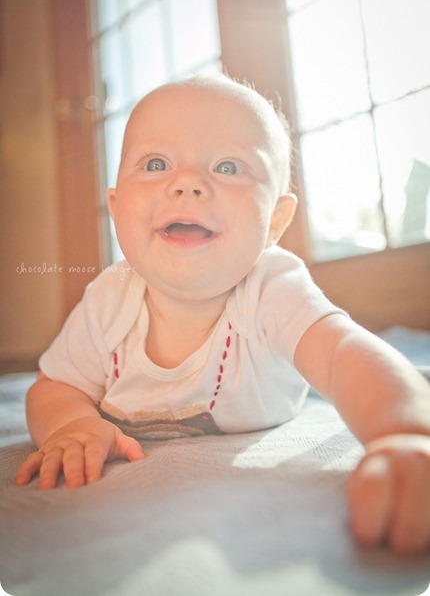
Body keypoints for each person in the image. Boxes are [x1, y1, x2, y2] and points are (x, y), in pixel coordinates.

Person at [16, 74, 430, 554]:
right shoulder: (110, 297)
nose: (187, 183)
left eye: (229, 167)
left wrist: (402, 435)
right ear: (116, 207)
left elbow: (343, 354)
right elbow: (54, 386)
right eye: (155, 164)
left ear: (274, 221)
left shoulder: (272, 287)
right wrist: (70, 424)